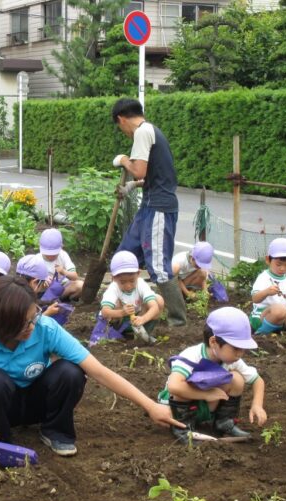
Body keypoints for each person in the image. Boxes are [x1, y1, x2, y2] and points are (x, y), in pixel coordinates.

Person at [0, 276, 184, 457]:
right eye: (23, 325)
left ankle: (55, 430)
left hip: (36, 404)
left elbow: (98, 370)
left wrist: (151, 406)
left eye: (33, 317)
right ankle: (0, 440)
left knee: (70, 371)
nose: (31, 327)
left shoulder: (45, 327)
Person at [111, 97, 186, 327]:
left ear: (121, 119)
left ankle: (178, 322)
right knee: (125, 256)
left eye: (119, 127)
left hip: (159, 208)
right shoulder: (153, 132)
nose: (123, 132)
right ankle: (119, 312)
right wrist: (131, 187)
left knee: (158, 268)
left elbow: (139, 171)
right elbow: (154, 176)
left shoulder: (142, 132)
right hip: (150, 205)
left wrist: (124, 159)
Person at [158, 307, 267, 443]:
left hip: (204, 407)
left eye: (243, 349)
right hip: (177, 409)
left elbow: (257, 380)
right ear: (214, 342)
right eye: (235, 348)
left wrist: (257, 405)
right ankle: (183, 429)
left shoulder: (232, 359)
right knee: (182, 384)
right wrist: (206, 395)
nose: (240, 354)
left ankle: (223, 423)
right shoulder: (191, 356)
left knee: (237, 379)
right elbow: (173, 387)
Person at [99, 250, 164, 339]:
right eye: (123, 282)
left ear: (138, 274)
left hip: (138, 317)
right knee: (115, 304)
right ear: (114, 278)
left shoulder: (140, 284)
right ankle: (115, 333)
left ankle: (143, 334)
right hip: (120, 319)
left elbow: (155, 307)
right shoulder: (113, 288)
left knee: (158, 300)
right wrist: (122, 312)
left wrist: (143, 319)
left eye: (132, 281)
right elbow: (104, 312)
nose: (128, 286)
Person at [36, 229, 83, 301]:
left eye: (54, 254)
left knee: (80, 285)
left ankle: (62, 300)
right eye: (48, 254)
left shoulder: (63, 255)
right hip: (43, 291)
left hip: (62, 288)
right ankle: (45, 302)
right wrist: (42, 280)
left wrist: (63, 271)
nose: (51, 256)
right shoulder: (36, 259)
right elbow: (30, 283)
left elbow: (74, 277)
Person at [15, 254, 62, 319]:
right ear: (34, 282)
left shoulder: (13, 289)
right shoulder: (21, 302)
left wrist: (48, 302)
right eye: (42, 284)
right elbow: (24, 326)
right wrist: (47, 313)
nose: (41, 288)